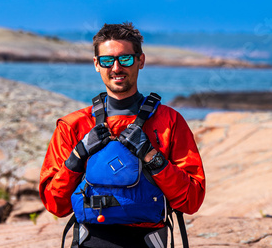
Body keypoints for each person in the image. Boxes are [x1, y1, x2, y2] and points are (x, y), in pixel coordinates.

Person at [39, 22, 206, 247]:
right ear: (97, 64)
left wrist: (152, 158)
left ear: (141, 61)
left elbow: (192, 200)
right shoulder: (73, 125)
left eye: (125, 58)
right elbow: (55, 205)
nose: (116, 67)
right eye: (107, 60)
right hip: (91, 239)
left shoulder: (169, 122)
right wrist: (77, 157)